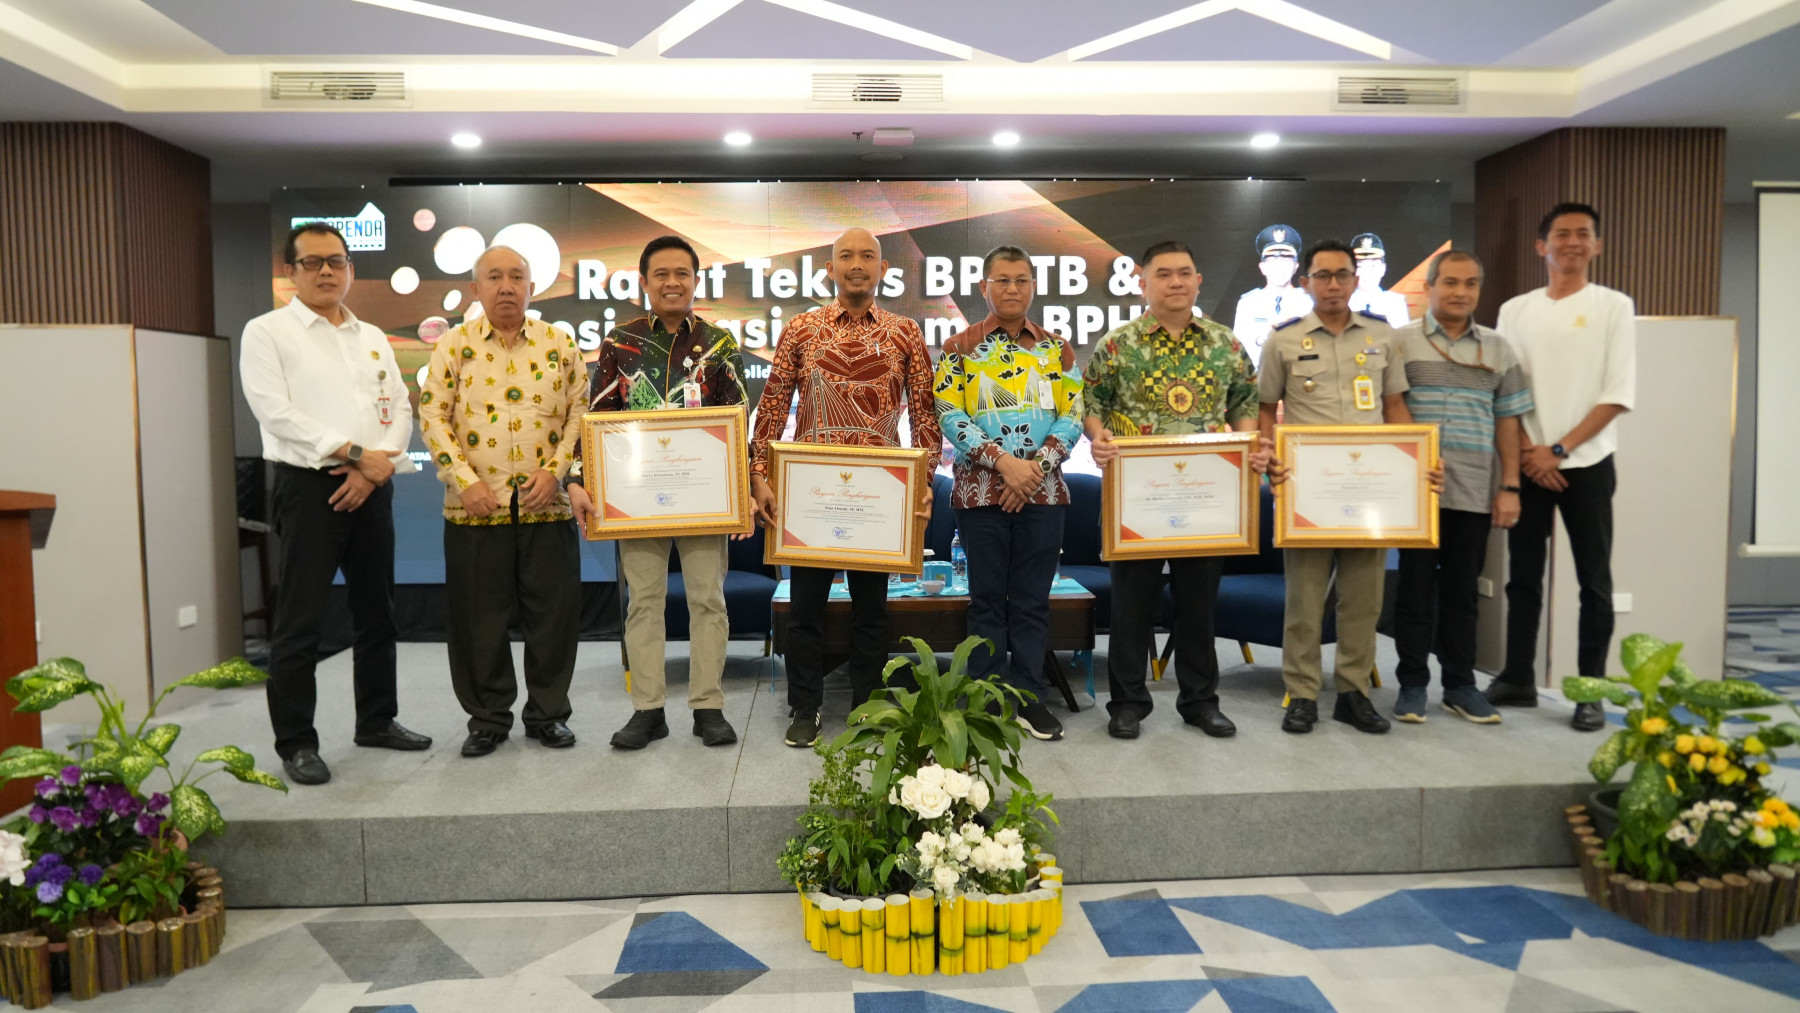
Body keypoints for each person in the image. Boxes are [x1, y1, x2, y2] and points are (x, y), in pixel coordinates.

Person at [240, 222, 431, 787]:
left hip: (372, 486)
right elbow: (275, 411)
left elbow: (400, 406)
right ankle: (297, 743)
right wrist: (353, 454)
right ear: (291, 272)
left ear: (350, 268)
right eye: (313, 262)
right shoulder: (267, 332)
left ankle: (377, 720)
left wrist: (372, 468)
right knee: (300, 623)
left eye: (337, 261)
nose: (327, 271)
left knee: (378, 612)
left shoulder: (370, 335)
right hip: (308, 488)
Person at [748, 228, 941, 748]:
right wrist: (759, 475)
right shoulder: (801, 329)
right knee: (805, 609)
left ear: (883, 270)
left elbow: (925, 414)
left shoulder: (905, 332)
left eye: (868, 256)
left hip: (880, 496)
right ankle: (804, 707)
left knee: (872, 610)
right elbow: (772, 407)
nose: (858, 264)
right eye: (846, 256)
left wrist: (925, 481)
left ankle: (867, 708)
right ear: (829, 270)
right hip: (810, 494)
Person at [568, 235, 748, 751]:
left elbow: (738, 423)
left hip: (705, 499)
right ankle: (647, 710)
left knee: (708, 600)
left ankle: (708, 707)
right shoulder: (619, 342)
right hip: (636, 500)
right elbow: (597, 418)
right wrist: (577, 479)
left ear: (695, 281)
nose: (672, 282)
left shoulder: (719, 344)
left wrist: (743, 494)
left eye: (682, 273)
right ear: (644, 282)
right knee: (643, 602)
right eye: (661, 274)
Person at [1085, 240, 1268, 741]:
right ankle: (1127, 704)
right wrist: (1098, 437)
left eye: (1184, 273)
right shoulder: (1118, 344)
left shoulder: (1225, 344)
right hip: (1137, 499)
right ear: (1143, 283)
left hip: (1206, 499)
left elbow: (1244, 403)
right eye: (1163, 274)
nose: (1175, 282)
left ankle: (1200, 702)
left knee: (1198, 606)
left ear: (1198, 281)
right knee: (1131, 608)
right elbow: (1092, 405)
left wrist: (1248, 445)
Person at [420, 245, 587, 757]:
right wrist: (463, 479)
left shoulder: (560, 344)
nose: (507, 286)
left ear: (532, 288)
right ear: (476, 288)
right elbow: (432, 417)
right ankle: (488, 719)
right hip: (475, 508)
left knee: (553, 618)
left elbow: (580, 415)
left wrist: (557, 473)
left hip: (546, 506)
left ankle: (548, 715)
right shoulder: (453, 346)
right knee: (477, 622)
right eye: (495, 277)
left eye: (517, 276)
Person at [1259, 239, 1426, 736]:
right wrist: (1270, 463)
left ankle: (1354, 693)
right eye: (1323, 276)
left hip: (1370, 489)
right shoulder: (1283, 340)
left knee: (1363, 598)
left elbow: (1395, 407)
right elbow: (1265, 409)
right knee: (1305, 599)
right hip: (1308, 491)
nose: (1333, 284)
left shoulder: (1383, 336)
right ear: (1306, 282)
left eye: (1342, 275)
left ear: (1355, 280)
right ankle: (1303, 694)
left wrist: (1415, 468)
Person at [1485, 202, 1636, 732]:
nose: (1572, 242)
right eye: (1562, 234)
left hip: (1587, 461)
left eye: (1583, 234)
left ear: (1597, 245)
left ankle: (1590, 692)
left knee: (1594, 581)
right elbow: (1506, 390)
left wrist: (1560, 450)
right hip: (1528, 461)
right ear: (1541, 246)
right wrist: (1532, 451)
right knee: (1523, 578)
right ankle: (1518, 677)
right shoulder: (1515, 310)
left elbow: (1616, 394)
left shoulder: (1614, 307)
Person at [933, 245, 1084, 742]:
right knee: (986, 602)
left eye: (1021, 280)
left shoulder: (1057, 349)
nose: (1012, 288)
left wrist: (1032, 471)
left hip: (1043, 494)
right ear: (984, 287)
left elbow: (1072, 415)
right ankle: (985, 702)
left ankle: (1030, 699)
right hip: (981, 495)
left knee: (1032, 602)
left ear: (1033, 286)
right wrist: (1005, 465)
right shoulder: (959, 347)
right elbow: (950, 414)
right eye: (1002, 280)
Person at [1391, 250, 1531, 725]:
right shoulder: (1401, 342)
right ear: (1430, 287)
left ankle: (1460, 686)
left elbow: (1508, 421)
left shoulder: (1498, 349)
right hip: (1416, 491)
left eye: (1470, 283)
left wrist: (1509, 486)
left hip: (1473, 488)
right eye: (1450, 282)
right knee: (1413, 592)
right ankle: (1412, 684)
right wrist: (1416, 459)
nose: (1460, 292)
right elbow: (1391, 407)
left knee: (1462, 594)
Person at [1232, 224, 1314, 361]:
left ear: (1296, 266)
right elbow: (1238, 353)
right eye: (1273, 260)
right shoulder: (1248, 304)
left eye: (1286, 259)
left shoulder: (1310, 302)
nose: (1279, 266)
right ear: (1262, 267)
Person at [1348, 233, 1412, 328]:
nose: (1367, 272)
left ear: (1383, 269)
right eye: (1360, 266)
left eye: (1373, 266)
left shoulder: (1396, 303)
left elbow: (1402, 336)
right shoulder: (1343, 302)